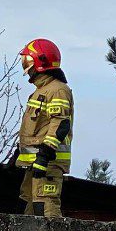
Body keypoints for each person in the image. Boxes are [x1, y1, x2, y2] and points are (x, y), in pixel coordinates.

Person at [16, 38, 74, 216]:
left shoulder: (57, 90)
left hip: (48, 162)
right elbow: (37, 127)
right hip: (35, 162)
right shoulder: (41, 91)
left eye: (28, 62)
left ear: (41, 62)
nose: (26, 68)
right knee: (28, 205)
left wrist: (44, 155)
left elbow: (60, 123)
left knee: (46, 207)